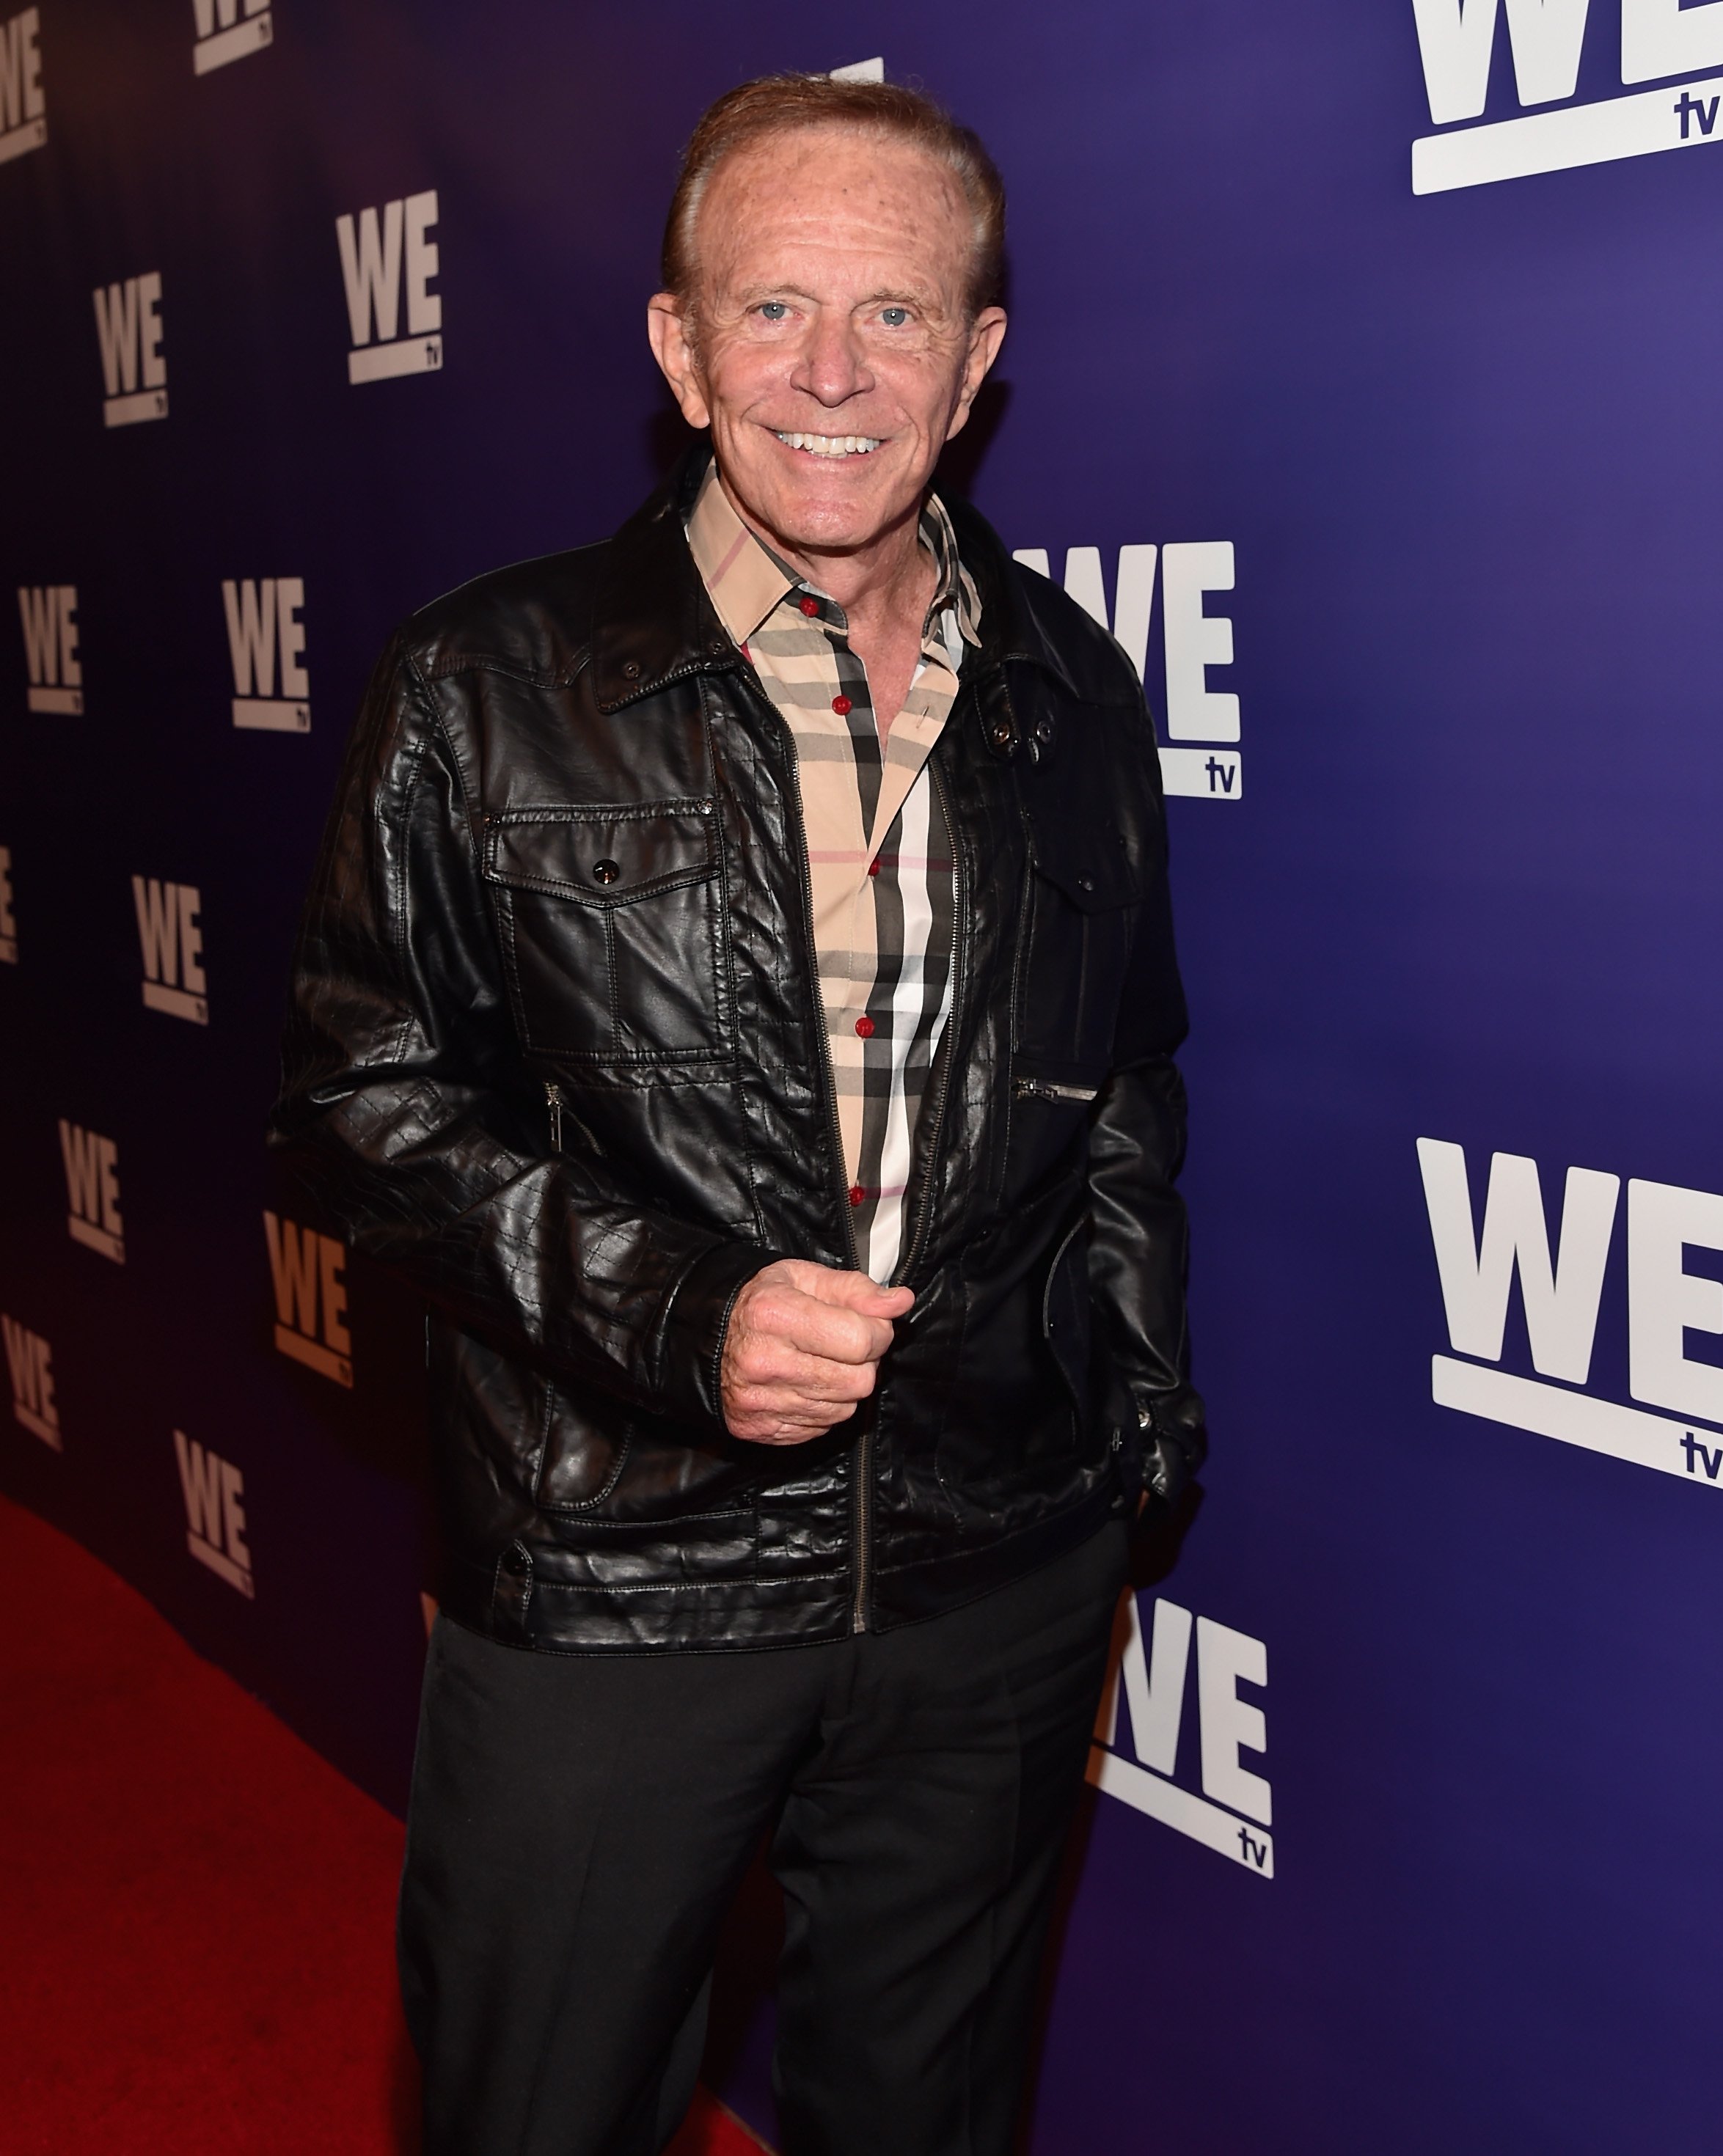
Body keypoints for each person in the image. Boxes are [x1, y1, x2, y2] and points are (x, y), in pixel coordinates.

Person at [271, 70, 1204, 2156]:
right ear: (679, 348)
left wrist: (1133, 1417)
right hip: (617, 1564)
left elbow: (1124, 1073)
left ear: (977, 363)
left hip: (993, 1573)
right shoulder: (481, 683)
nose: (832, 375)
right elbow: (353, 1108)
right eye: (771, 309)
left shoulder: (1073, 690)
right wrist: (676, 1310)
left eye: (895, 316)